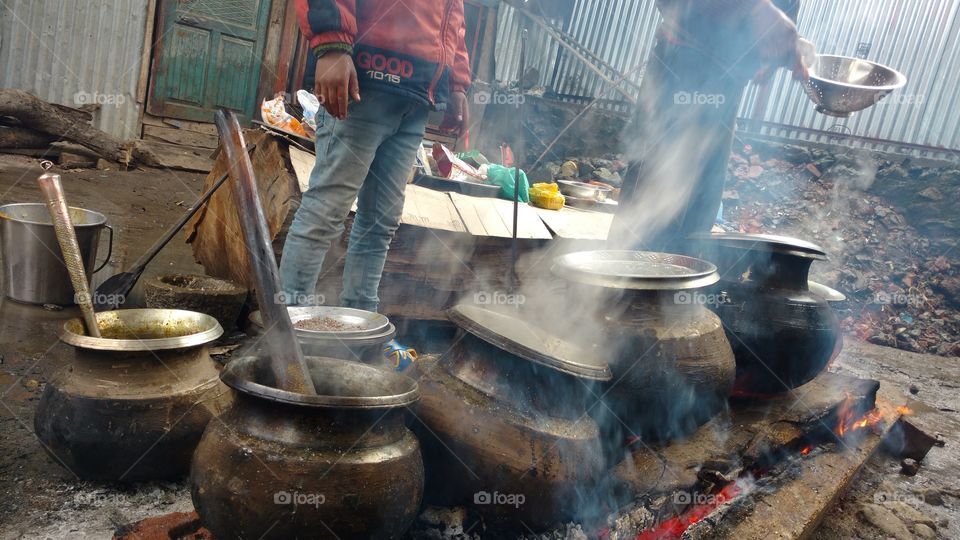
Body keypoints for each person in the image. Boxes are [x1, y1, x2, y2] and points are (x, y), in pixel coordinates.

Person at [281, 0, 471, 313]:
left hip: (417, 97)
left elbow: (454, 17)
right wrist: (332, 47)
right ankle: (287, 323)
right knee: (325, 213)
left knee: (380, 222)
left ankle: (360, 322)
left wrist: (458, 84)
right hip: (363, 81)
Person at [609, 0, 804, 253]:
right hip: (685, 64)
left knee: (698, 214)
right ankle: (621, 288)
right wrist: (754, 7)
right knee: (650, 214)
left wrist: (765, 56)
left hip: (729, 79)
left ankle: (676, 289)